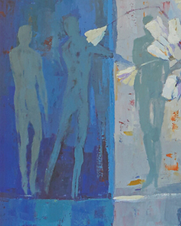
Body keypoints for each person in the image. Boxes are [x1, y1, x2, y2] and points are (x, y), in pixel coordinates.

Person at [42, 16, 113, 199]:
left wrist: (99, 49)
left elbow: (106, 53)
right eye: (68, 26)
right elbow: (97, 52)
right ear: (66, 28)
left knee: (80, 142)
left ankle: (74, 189)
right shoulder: (67, 47)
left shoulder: (77, 46)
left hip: (81, 97)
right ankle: (47, 183)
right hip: (72, 95)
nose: (71, 28)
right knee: (60, 138)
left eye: (73, 25)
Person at [9, 25, 48, 197]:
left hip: (33, 96)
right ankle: (25, 181)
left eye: (28, 34)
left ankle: (32, 178)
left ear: (31, 36)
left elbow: (41, 82)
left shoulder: (36, 56)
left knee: (38, 135)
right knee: (23, 140)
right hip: (21, 96)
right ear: (18, 35)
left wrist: (45, 104)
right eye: (22, 34)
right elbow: (19, 72)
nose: (25, 37)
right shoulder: (14, 54)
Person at [131, 16, 166, 190]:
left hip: (157, 88)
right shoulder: (139, 42)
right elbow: (136, 61)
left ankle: (156, 176)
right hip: (143, 86)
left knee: (156, 131)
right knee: (146, 128)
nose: (148, 29)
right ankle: (152, 170)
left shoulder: (162, 42)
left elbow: (166, 64)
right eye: (146, 27)